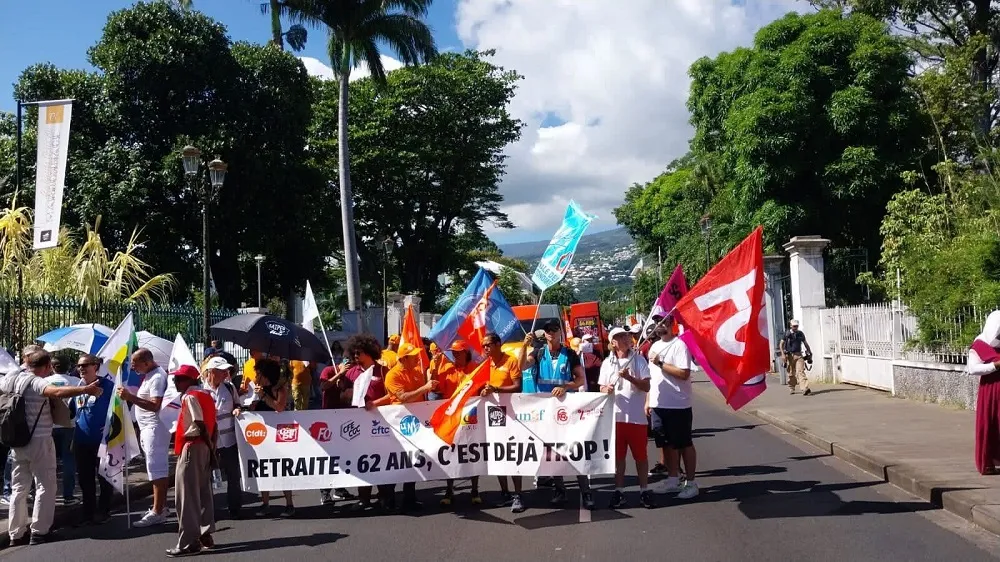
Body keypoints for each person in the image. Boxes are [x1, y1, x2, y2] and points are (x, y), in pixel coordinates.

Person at [2, 350, 104, 545]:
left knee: (18, 488)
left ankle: (16, 534)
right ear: (48, 366)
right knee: (46, 486)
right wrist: (85, 390)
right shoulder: (36, 382)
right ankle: (39, 532)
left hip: (17, 441)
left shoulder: (12, 379)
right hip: (39, 441)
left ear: (27, 363)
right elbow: (56, 392)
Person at [519, 319, 593, 509]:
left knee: (574, 450)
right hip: (545, 410)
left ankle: (586, 492)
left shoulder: (569, 354)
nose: (551, 333)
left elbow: (580, 379)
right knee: (553, 452)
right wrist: (524, 347)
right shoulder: (538, 352)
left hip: (566, 409)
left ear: (560, 332)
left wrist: (565, 386)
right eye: (547, 330)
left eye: (554, 330)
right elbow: (522, 367)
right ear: (544, 334)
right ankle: (560, 490)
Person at [368, 342, 433, 511]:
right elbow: (402, 397)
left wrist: (376, 402)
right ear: (403, 359)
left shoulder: (417, 372)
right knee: (396, 461)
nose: (417, 358)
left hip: (416, 423)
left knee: (414, 459)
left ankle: (409, 498)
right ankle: (388, 499)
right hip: (398, 423)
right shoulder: (393, 375)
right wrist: (425, 388)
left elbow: (399, 395)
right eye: (413, 356)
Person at [166, 365, 218, 558]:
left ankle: (188, 541)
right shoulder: (207, 395)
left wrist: (208, 444)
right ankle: (205, 533)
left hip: (193, 445)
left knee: (186, 496)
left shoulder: (190, 396)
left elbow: (199, 422)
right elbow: (213, 424)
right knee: (203, 492)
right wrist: (211, 447)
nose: (175, 382)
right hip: (203, 446)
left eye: (179, 379)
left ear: (189, 380)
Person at [600, 328, 654, 509]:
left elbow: (647, 386)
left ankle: (644, 490)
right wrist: (606, 389)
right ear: (613, 342)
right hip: (615, 418)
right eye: (620, 337)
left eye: (626, 335)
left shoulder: (638, 359)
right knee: (618, 458)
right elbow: (601, 387)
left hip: (636, 418)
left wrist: (629, 377)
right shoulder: (607, 363)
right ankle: (619, 491)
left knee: (641, 457)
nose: (625, 338)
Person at [117, 347, 171, 527]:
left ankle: (158, 511)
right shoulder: (150, 375)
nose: (133, 368)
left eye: (135, 364)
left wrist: (130, 397)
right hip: (148, 428)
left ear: (147, 362)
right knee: (154, 469)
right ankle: (161, 506)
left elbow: (155, 405)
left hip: (155, 429)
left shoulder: (157, 378)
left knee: (157, 470)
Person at [647, 318, 699, 500]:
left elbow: (684, 373)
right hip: (658, 403)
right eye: (656, 322)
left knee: (684, 444)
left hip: (678, 404)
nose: (658, 325)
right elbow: (652, 377)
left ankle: (691, 483)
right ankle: (672, 479)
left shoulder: (679, 345)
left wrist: (661, 363)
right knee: (666, 444)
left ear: (670, 324)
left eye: (662, 322)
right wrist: (648, 400)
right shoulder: (654, 346)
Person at [481, 332, 526, 513]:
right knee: (497, 455)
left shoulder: (511, 361)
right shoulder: (485, 363)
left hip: (511, 415)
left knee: (512, 454)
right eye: (483, 345)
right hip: (492, 415)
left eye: (488, 345)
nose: (485, 348)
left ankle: (518, 495)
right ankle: (505, 493)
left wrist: (497, 389)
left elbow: (518, 386)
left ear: (498, 344)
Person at [434, 340, 481, 507]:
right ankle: (449, 490)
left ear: (466, 352)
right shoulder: (447, 368)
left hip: (471, 415)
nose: (455, 355)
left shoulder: (475, 368)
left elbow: (482, 387)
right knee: (450, 453)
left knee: (473, 451)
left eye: (458, 352)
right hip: (451, 417)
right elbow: (436, 388)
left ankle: (474, 490)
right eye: (453, 352)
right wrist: (435, 366)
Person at [70, 354, 115, 526]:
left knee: (104, 477)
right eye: (79, 365)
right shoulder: (78, 387)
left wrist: (112, 427)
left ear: (95, 366)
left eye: (85, 365)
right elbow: (72, 411)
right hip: (81, 440)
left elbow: (121, 409)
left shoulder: (108, 386)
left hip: (102, 441)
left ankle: (104, 510)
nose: (81, 368)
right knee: (85, 479)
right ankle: (88, 512)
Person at [249, 358, 295, 517]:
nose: (256, 376)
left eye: (258, 374)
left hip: (279, 435)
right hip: (262, 435)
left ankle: (289, 503)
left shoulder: (279, 388)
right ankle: (265, 502)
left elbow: (279, 407)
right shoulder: (257, 388)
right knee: (263, 468)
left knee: (282, 469)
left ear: (265, 374)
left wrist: (263, 396)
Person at [202, 356, 243, 518]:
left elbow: (238, 403)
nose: (226, 373)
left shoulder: (229, 387)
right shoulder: (201, 389)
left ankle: (235, 508)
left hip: (229, 440)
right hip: (208, 442)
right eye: (222, 371)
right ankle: (208, 511)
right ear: (212, 372)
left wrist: (237, 409)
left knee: (233, 475)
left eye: (226, 370)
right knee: (206, 477)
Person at [968, 310, 1000, 475]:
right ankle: (988, 462)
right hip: (990, 390)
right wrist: (995, 365)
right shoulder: (980, 344)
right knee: (990, 423)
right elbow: (973, 369)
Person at [45, 356, 80, 506]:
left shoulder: (45, 382)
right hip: (70, 425)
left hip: (49, 425)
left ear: (52, 367)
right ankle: (68, 496)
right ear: (69, 366)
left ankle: (45, 496)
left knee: (46, 463)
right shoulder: (76, 382)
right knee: (68, 461)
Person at [780, 319, 813, 396]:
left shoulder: (800, 334)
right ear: (791, 326)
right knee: (791, 373)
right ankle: (792, 387)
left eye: (797, 326)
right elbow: (781, 344)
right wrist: (783, 354)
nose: (795, 327)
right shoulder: (787, 334)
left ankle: (805, 388)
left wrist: (810, 352)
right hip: (789, 355)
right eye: (794, 326)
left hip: (798, 355)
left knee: (800, 372)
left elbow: (805, 343)